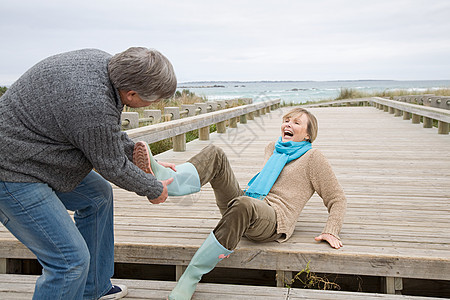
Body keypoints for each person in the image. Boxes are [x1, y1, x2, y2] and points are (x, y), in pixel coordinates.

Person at [0, 47, 177, 299]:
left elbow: (104, 137)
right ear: (132, 94)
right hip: (11, 171)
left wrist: (152, 165)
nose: (156, 104)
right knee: (69, 262)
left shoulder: (105, 65)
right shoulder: (91, 101)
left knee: (98, 196)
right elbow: (112, 165)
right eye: (154, 100)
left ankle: (94, 289)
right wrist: (154, 189)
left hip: (37, 152)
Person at [133, 107, 347, 300]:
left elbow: (337, 198)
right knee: (215, 154)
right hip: (246, 205)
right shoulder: (274, 147)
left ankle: (191, 276)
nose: (288, 124)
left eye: (296, 123)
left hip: (273, 220)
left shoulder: (313, 157)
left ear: (308, 134)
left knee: (244, 204)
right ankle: (165, 182)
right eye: (287, 120)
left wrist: (332, 230)